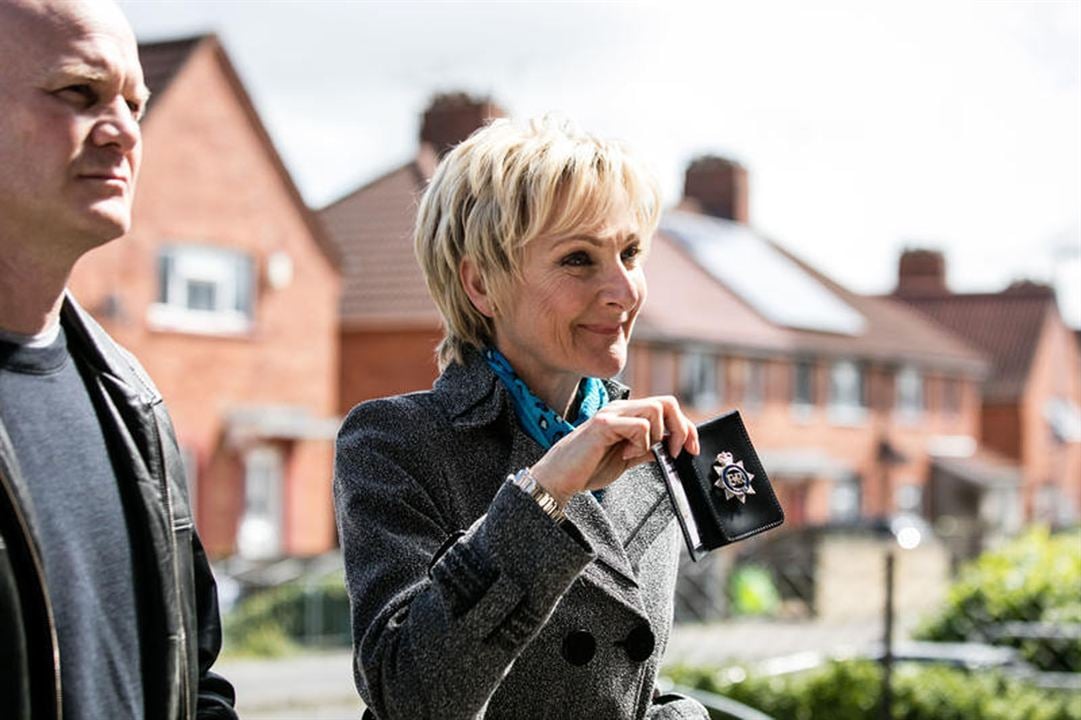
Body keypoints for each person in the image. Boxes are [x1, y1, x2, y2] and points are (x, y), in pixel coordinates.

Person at [335, 116, 709, 719]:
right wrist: (544, 493)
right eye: (579, 260)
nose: (624, 289)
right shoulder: (396, 441)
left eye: (630, 252)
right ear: (482, 284)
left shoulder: (647, 451)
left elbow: (622, 689)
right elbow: (409, 695)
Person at [0, 1, 237, 717]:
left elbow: (194, 680)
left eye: (135, 104)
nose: (124, 132)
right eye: (79, 93)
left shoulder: (133, 403)